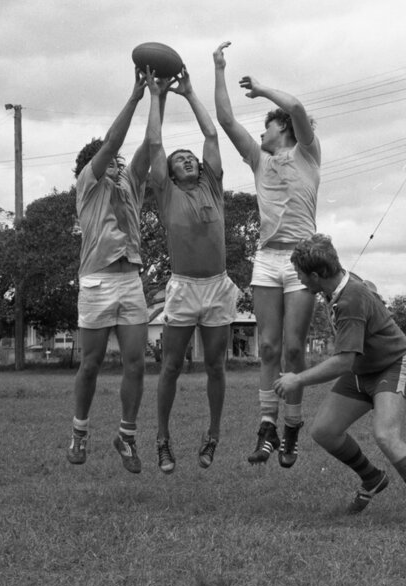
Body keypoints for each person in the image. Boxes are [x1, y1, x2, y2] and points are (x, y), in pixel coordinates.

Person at [273, 234, 406, 528]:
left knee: (386, 435)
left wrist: (297, 379)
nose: (298, 278)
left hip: (391, 364)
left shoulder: (350, 299)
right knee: (325, 431)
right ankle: (372, 478)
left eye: (301, 273)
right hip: (362, 368)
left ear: (317, 275)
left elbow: (344, 361)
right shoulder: (336, 284)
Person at [214, 42, 321, 469]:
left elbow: (295, 105)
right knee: (269, 346)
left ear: (285, 130)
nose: (261, 132)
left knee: (295, 350)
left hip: (300, 260)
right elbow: (225, 119)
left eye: (267, 126)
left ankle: (292, 428)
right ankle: (267, 428)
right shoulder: (259, 161)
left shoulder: (308, 154)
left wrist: (261, 90)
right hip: (267, 260)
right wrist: (219, 69)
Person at [145, 68, 239, 474]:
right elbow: (154, 142)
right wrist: (155, 96)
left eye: (190, 158)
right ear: (168, 173)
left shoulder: (211, 186)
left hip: (217, 287)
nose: (186, 159)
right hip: (184, 288)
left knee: (216, 366)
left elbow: (213, 136)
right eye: (178, 160)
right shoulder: (166, 194)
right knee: (172, 365)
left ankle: (213, 435)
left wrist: (189, 92)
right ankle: (163, 440)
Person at [66, 69, 152, 473]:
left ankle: (126, 436)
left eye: (120, 162)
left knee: (136, 362)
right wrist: (135, 97)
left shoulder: (131, 186)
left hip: (130, 279)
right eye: (111, 161)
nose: (118, 163)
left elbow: (150, 144)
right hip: (97, 280)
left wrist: (159, 96)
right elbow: (114, 141)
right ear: (94, 166)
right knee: (92, 363)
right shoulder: (88, 184)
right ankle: (80, 432)